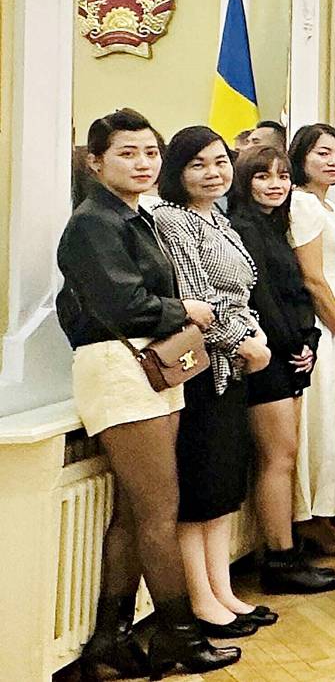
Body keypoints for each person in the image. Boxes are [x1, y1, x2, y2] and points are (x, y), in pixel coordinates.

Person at [59, 109, 242, 677]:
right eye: (127, 153)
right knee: (160, 512)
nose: (143, 163)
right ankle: (177, 635)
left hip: (151, 366)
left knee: (135, 514)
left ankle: (109, 640)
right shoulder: (93, 223)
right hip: (118, 366)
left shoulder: (133, 216)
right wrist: (185, 309)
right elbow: (123, 304)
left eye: (150, 153)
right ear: (95, 162)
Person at [151, 128, 276, 640]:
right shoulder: (171, 220)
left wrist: (254, 335)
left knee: (223, 488)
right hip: (201, 370)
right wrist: (244, 341)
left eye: (220, 162)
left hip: (234, 367)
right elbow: (196, 301)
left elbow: (240, 293)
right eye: (198, 164)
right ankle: (201, 600)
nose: (213, 173)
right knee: (199, 491)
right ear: (177, 171)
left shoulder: (218, 218)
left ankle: (223, 590)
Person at [227, 146, 335, 595]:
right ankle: (279, 558)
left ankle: (284, 549)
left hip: (289, 352)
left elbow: (295, 293)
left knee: (285, 457)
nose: (275, 185)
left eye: (282, 176)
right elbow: (262, 299)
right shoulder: (244, 227)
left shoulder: (276, 225)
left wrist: (309, 341)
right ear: (244, 181)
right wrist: (295, 344)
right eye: (262, 176)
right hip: (267, 356)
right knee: (279, 458)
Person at [288, 123, 335, 555]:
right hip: (322, 328)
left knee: (334, 421)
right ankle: (312, 519)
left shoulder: (329, 206)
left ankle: (334, 512)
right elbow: (313, 279)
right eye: (322, 153)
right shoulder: (301, 204)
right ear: (301, 157)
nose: (333, 161)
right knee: (319, 423)